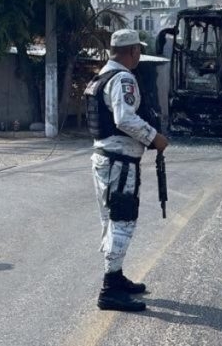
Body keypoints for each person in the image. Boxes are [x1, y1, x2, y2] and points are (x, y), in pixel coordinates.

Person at [84, 29, 168, 312]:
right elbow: (124, 119)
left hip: (106, 160)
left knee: (111, 220)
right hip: (118, 163)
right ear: (132, 51)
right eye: (138, 51)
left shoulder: (101, 76)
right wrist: (154, 137)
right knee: (123, 222)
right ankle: (109, 290)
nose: (139, 55)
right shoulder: (122, 78)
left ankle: (116, 278)